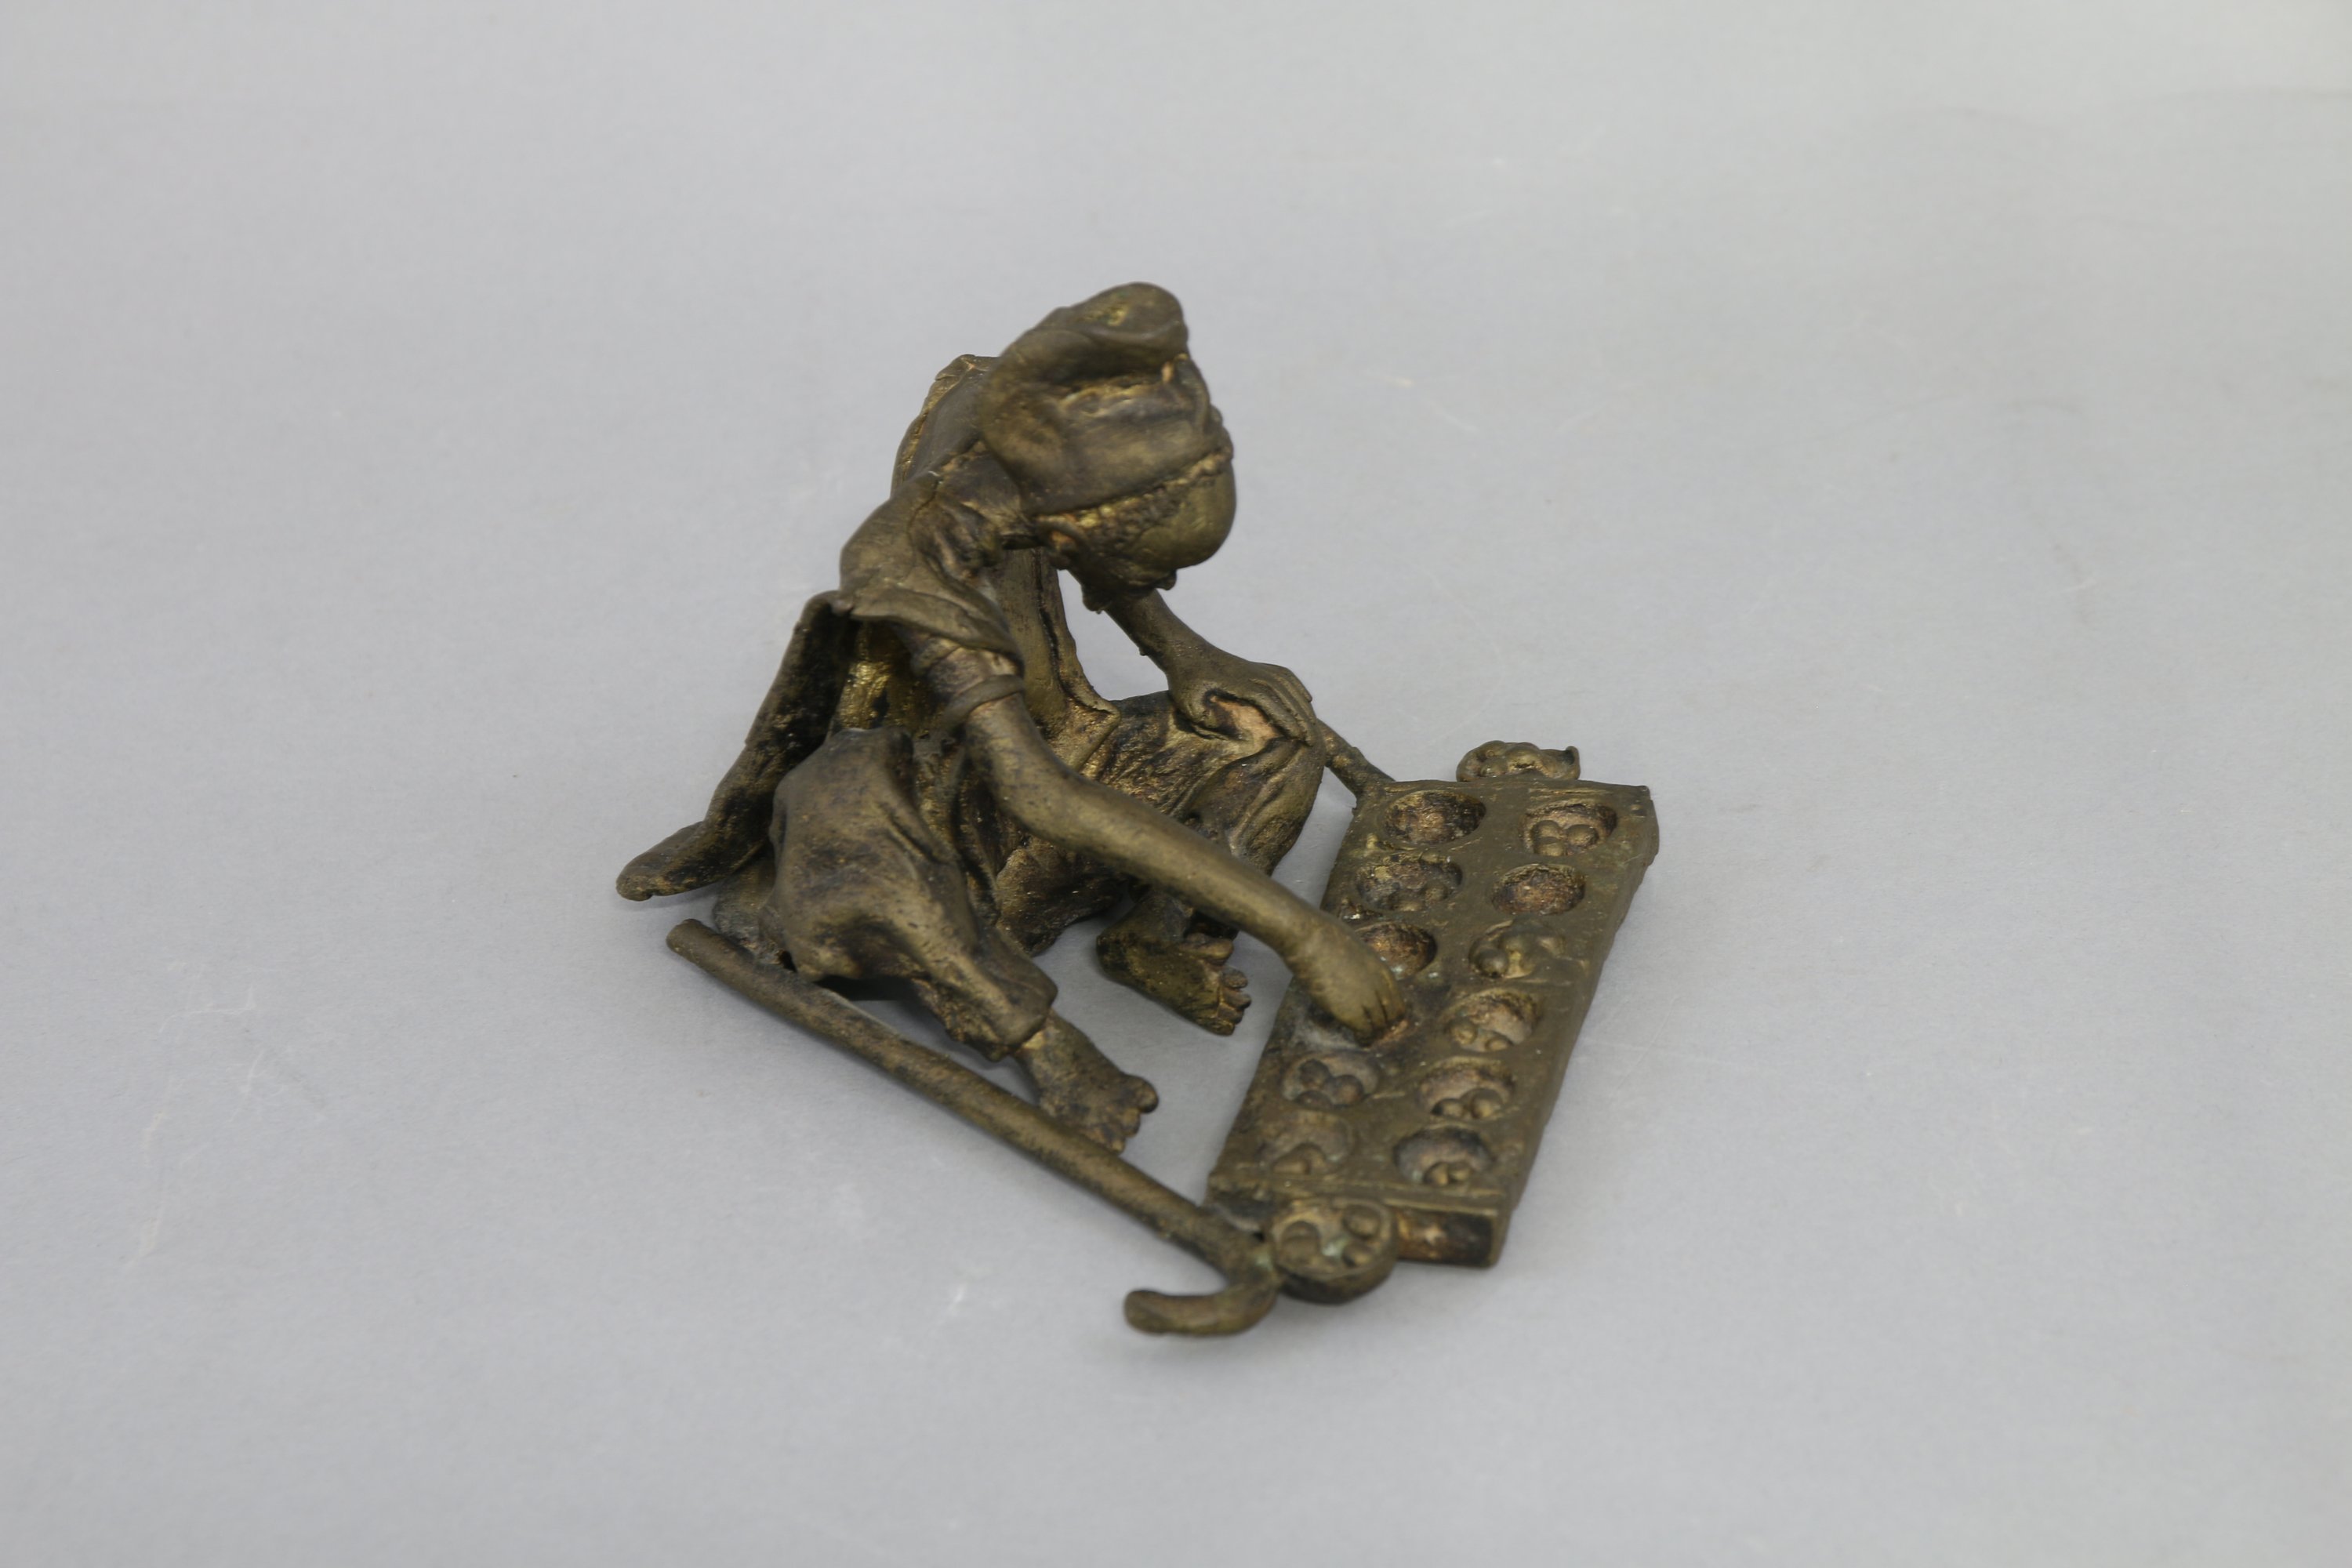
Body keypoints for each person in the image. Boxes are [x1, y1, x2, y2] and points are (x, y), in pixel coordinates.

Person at [619, 284, 1402, 1150]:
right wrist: (1301, 932)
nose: (1164, 585)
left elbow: (1106, 548)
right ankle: (1042, 1041)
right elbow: (1039, 794)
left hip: (1060, 741)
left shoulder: (1041, 416)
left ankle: (1162, 933)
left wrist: (1184, 653)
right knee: (845, 809)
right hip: (951, 818)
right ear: (1065, 530)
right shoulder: (913, 558)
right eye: (1150, 568)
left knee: (1260, 718)